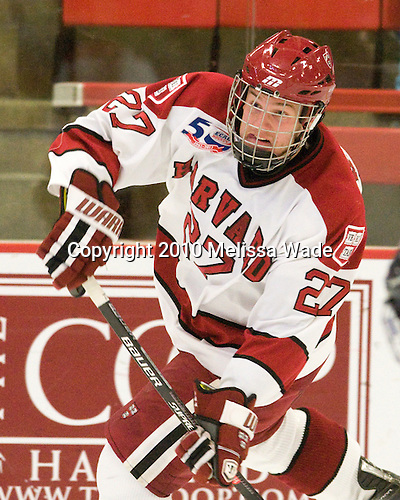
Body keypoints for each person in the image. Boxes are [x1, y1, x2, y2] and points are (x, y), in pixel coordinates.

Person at [37, 30, 400, 499]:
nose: (260, 125)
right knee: (263, 436)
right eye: (255, 104)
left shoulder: (331, 202)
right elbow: (102, 134)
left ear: (311, 119)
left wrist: (236, 396)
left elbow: (291, 333)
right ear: (238, 94)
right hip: (192, 316)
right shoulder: (203, 101)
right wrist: (84, 196)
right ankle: (360, 489)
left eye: (282, 114)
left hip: (251, 350)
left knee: (130, 462)